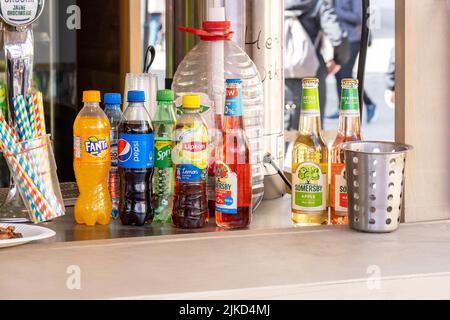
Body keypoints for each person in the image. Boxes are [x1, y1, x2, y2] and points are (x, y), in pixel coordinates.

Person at [285, 0, 349, 130]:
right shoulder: (318, 4)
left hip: (283, 71)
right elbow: (338, 37)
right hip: (313, 74)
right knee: (313, 128)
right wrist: (338, 60)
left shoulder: (278, 4)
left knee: (286, 125)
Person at [330, 0, 378, 123]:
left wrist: (337, 12)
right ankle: (342, 108)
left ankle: (369, 104)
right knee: (338, 73)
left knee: (345, 74)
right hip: (340, 39)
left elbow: (359, 17)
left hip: (353, 39)